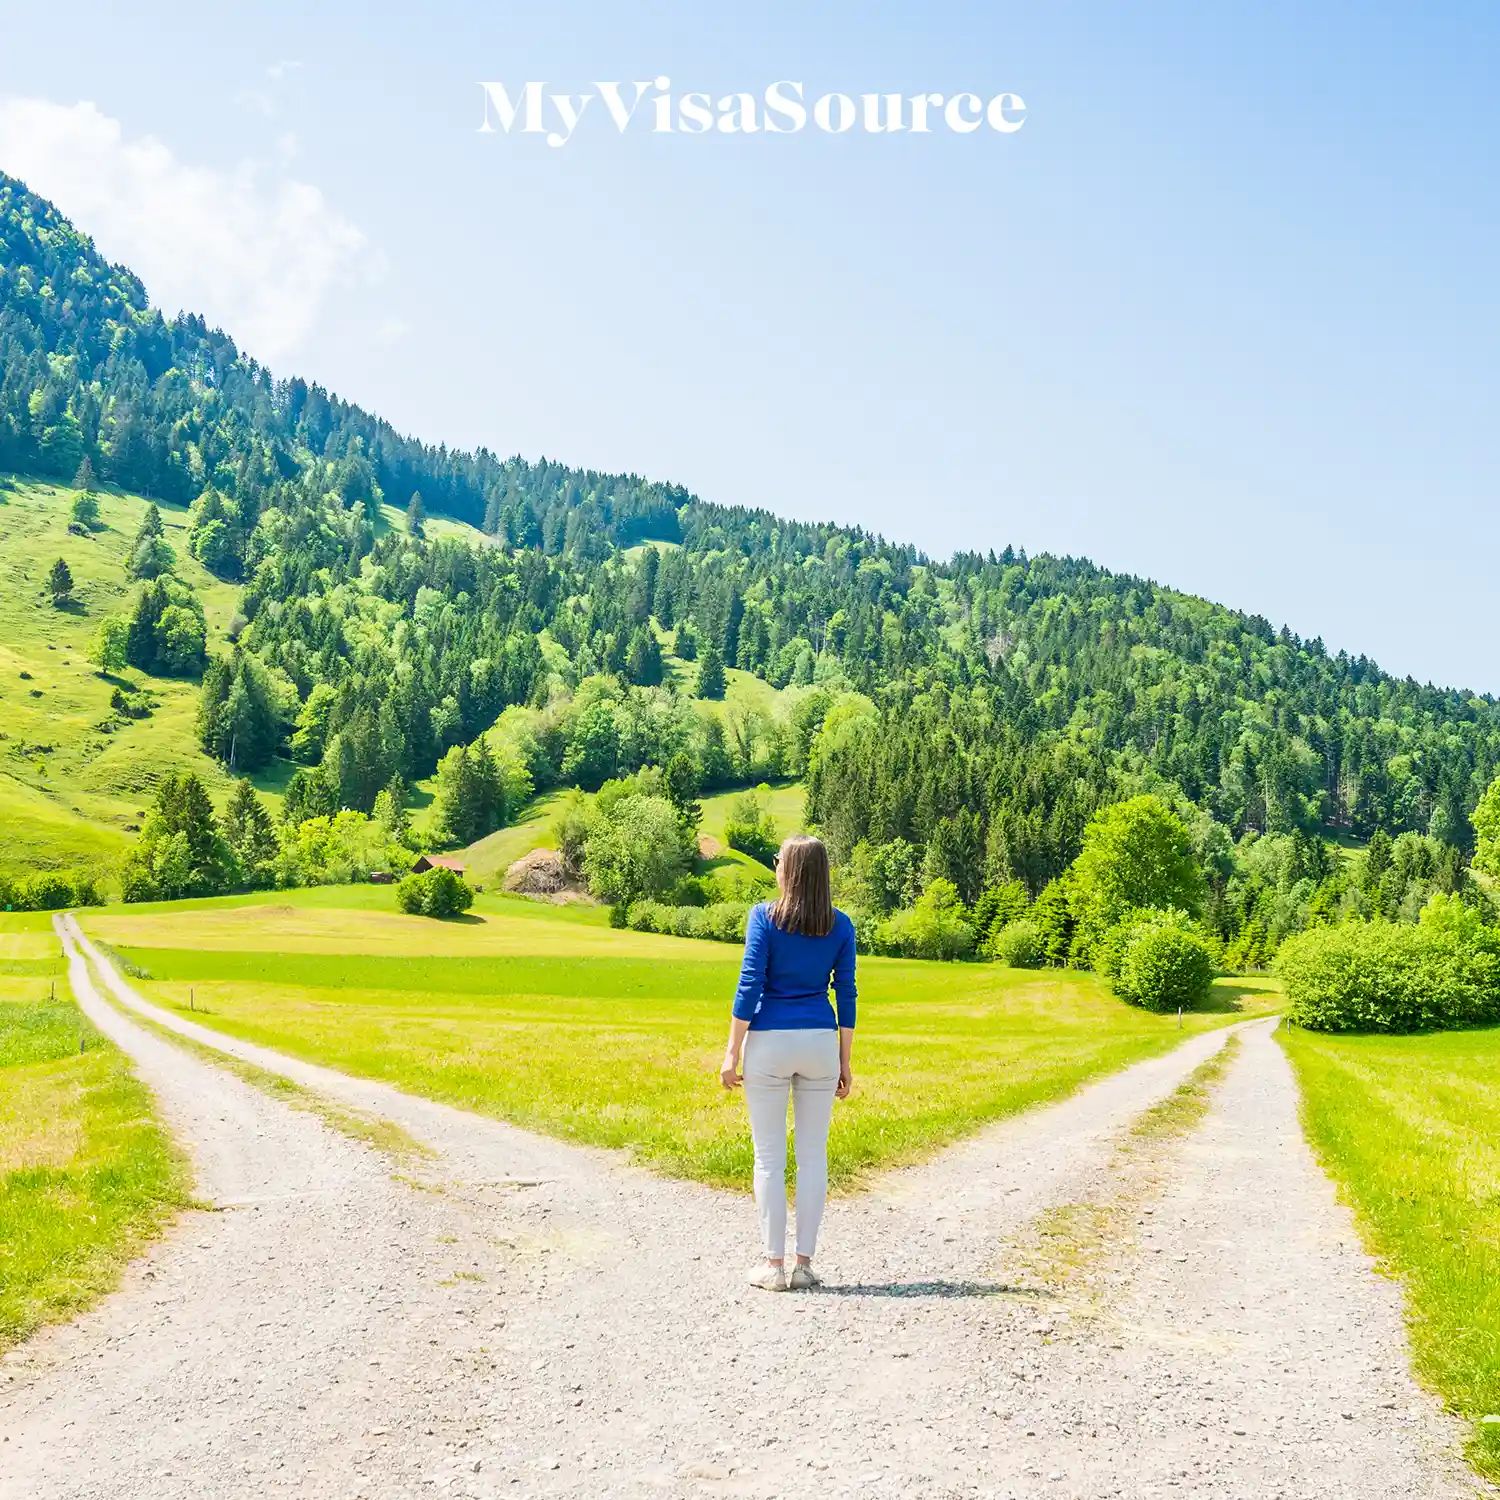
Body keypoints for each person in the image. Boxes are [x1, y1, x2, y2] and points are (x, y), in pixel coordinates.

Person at [720, 833, 857, 1291]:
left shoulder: (763, 917)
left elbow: (749, 986)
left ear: (788, 870)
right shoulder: (841, 926)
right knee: (813, 1156)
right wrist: (845, 1061)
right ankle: (804, 1264)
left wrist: (730, 1051)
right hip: (820, 1040)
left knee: (769, 1158)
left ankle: (774, 1267)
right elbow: (848, 995)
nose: (775, 864)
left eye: (778, 859)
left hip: (770, 1044)